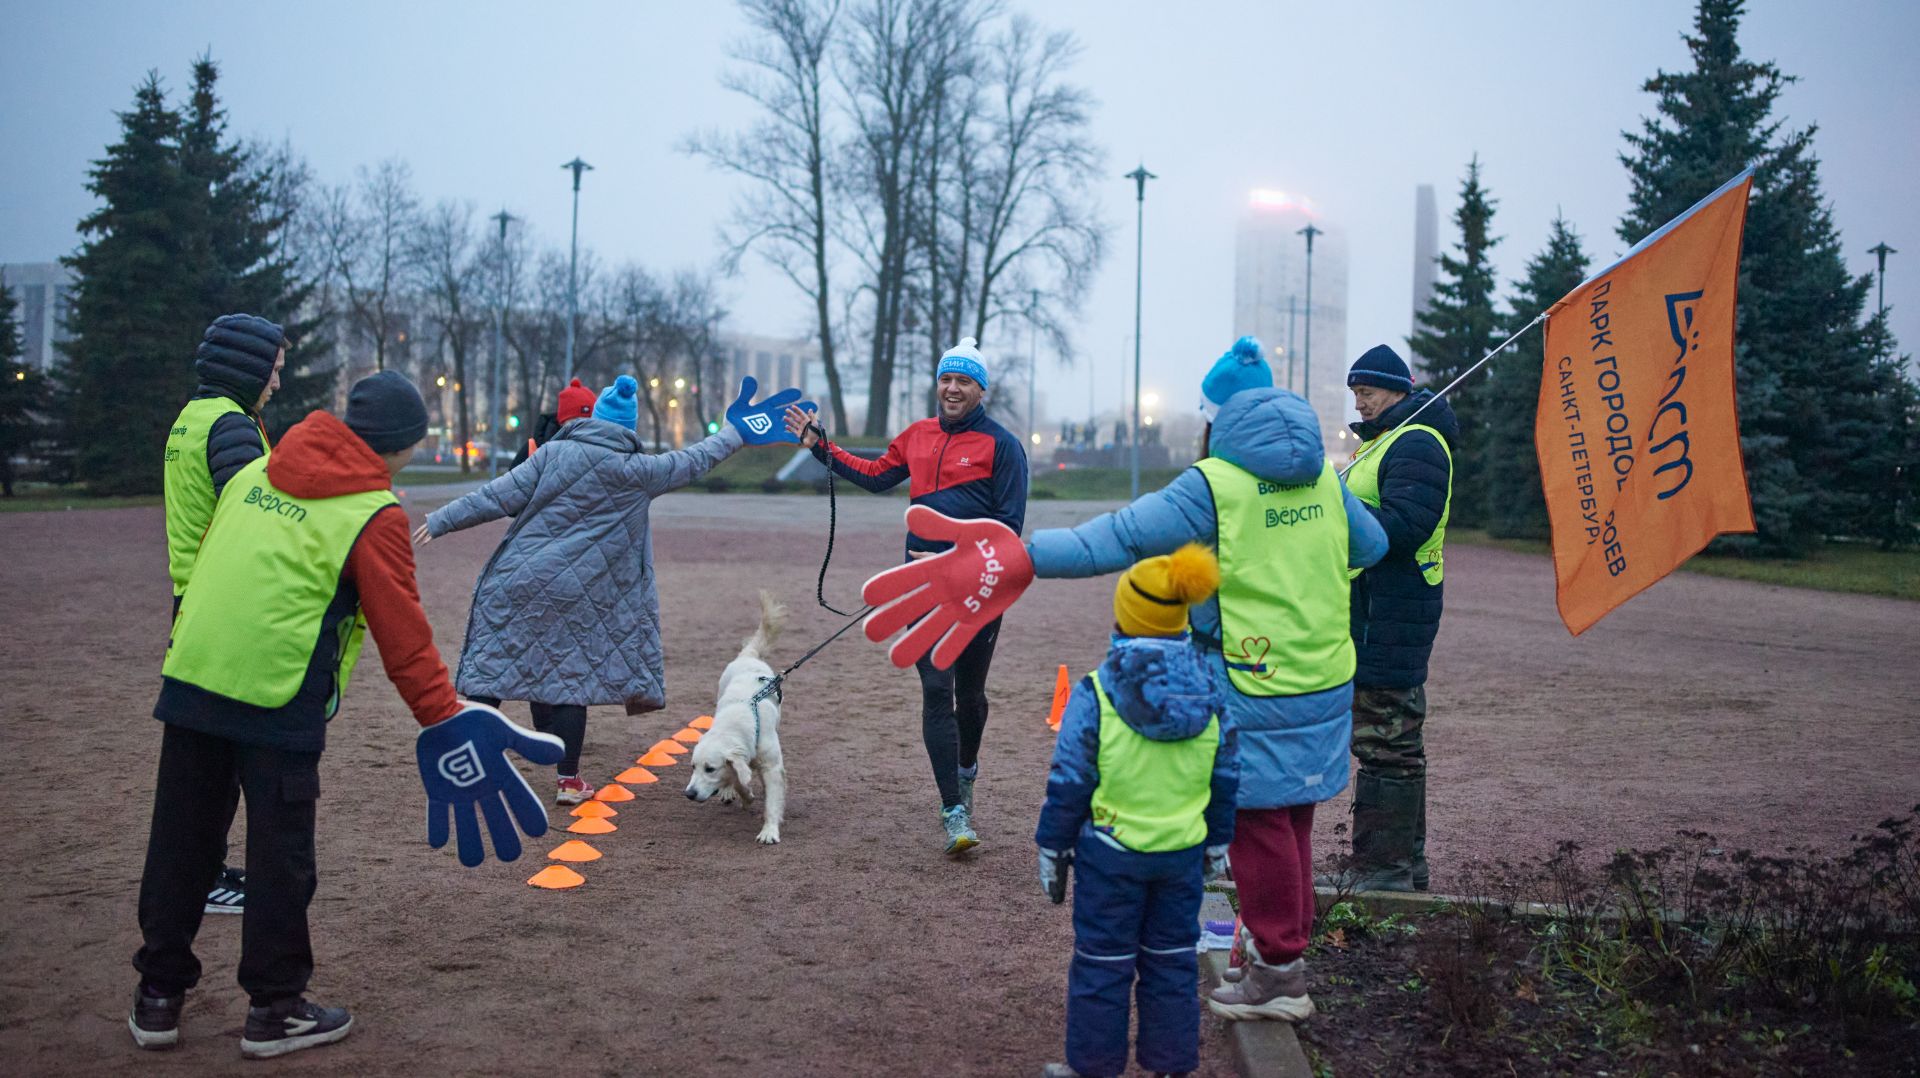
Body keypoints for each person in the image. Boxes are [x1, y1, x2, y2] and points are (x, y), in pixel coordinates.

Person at [916, 336, 1384, 1020]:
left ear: (1217, 418)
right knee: (1292, 821)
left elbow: (1114, 539)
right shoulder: (1324, 478)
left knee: (1259, 827)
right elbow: (1371, 545)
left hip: (1252, 681)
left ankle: (1281, 973)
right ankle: (1275, 952)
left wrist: (1016, 557)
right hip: (1324, 675)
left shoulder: (1213, 485)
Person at [131, 371, 506, 1058]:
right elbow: (404, 638)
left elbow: (207, 561)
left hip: (193, 673)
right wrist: (446, 721)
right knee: (280, 857)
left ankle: (157, 996)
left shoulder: (256, 472)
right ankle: (275, 1009)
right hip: (277, 693)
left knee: (181, 842)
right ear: (402, 446)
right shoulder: (373, 512)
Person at [417, 374, 802, 800]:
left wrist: (440, 520)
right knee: (568, 683)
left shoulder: (552, 453)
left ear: (594, 418)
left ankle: (464, 766)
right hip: (579, 596)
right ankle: (569, 782)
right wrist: (736, 433)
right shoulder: (641, 470)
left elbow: (496, 495)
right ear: (628, 428)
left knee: (489, 676)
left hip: (516, 581)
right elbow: (698, 459)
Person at [782, 337, 1028, 856]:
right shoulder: (917, 435)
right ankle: (953, 810)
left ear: (981, 389)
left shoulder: (1003, 446)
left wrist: (960, 560)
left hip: (979, 592)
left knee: (970, 698)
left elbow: (1009, 530)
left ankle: (966, 769)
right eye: (946, 379)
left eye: (964, 381)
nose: (952, 388)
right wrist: (820, 446)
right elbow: (876, 477)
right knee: (936, 691)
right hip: (922, 588)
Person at [1035, 544, 1239, 1078]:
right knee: (1172, 963)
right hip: (1183, 852)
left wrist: (1052, 844)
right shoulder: (1213, 691)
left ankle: (1093, 1067)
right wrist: (1219, 839)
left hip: (1110, 852)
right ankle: (1171, 1066)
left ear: (1125, 614)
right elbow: (1226, 773)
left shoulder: (1096, 691)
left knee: (1102, 963)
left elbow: (1070, 779)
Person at [160, 313, 288, 917]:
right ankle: (203, 877)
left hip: (192, 602)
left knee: (204, 761)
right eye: (273, 370)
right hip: (222, 608)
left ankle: (204, 870)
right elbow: (254, 517)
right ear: (247, 367)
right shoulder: (231, 426)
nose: (277, 383)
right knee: (221, 764)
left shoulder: (193, 416)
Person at [1331, 344, 1456, 893]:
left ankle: (1384, 871)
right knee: (1388, 739)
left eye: (1368, 392)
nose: (1359, 402)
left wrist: (1333, 509)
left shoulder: (1417, 443)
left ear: (1397, 391)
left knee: (1386, 741)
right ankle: (1402, 863)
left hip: (1392, 609)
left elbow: (1404, 527)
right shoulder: (1387, 441)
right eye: (1355, 393)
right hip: (1376, 608)